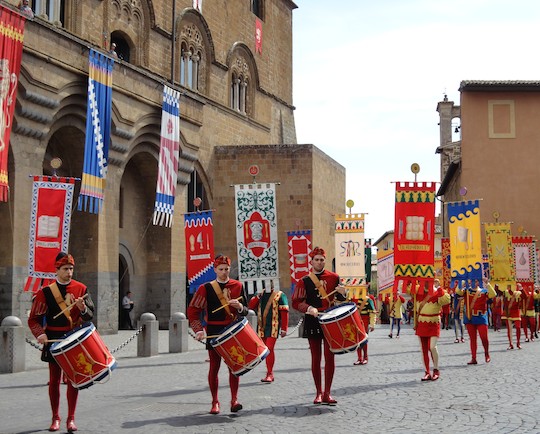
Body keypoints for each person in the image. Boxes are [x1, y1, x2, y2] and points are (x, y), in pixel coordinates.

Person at [27, 252, 94, 432]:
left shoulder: (81, 288)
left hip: (73, 340)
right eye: (65, 269)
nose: (69, 272)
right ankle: (55, 417)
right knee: (54, 380)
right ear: (56, 270)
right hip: (53, 341)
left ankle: (70, 419)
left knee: (73, 380)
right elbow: (33, 319)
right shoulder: (45, 292)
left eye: (71, 269)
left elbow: (90, 316)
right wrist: (40, 334)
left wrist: (83, 308)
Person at [187, 255, 248, 415]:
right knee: (214, 367)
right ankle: (215, 402)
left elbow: (247, 310)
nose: (224, 272)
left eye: (226, 269)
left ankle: (234, 400)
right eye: (220, 269)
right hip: (214, 332)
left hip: (233, 330)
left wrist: (240, 306)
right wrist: (199, 330)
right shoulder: (205, 288)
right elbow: (193, 310)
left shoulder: (238, 286)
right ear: (215, 270)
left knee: (234, 366)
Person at [292, 246, 347, 405]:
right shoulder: (304, 281)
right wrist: (309, 308)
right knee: (316, 358)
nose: (319, 262)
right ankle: (318, 392)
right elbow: (296, 302)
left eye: (322, 260)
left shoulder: (334, 277)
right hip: (313, 319)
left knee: (330, 358)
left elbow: (341, 300)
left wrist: (343, 293)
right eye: (316, 260)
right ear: (311, 261)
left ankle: (327, 393)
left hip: (330, 319)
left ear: (325, 260)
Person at [408, 278, 450, 381]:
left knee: (432, 347)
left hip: (434, 322)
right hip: (422, 322)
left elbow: (446, 300)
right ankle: (427, 372)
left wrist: (439, 289)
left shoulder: (437, 292)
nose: (426, 284)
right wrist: (410, 278)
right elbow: (407, 289)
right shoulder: (418, 291)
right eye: (424, 281)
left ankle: (436, 369)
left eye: (428, 282)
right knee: (423, 349)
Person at [248, 282, 289, 382]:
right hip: (261, 326)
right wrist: (257, 296)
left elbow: (284, 312)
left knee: (269, 348)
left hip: (273, 326)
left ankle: (270, 373)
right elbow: (251, 306)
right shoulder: (260, 294)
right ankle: (268, 371)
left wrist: (284, 328)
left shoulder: (280, 294)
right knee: (264, 350)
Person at [456, 278, 496, 364]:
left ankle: (486, 353)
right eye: (473, 281)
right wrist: (462, 282)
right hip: (470, 318)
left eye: (477, 281)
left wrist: (487, 283)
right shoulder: (466, 291)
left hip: (481, 317)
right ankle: (473, 358)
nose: (475, 282)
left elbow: (493, 294)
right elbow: (458, 292)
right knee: (472, 339)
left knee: (484, 338)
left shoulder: (484, 291)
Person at [353, 292, 376, 365]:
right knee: (357, 340)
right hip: (356, 320)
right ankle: (359, 358)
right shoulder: (353, 298)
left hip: (365, 320)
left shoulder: (368, 299)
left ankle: (365, 357)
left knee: (363, 339)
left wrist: (372, 324)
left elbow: (372, 313)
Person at [502, 283, 522, 350]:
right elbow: (498, 291)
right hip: (508, 311)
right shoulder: (506, 291)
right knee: (509, 329)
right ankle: (511, 344)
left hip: (516, 311)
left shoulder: (519, 292)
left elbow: (525, 296)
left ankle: (518, 343)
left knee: (518, 327)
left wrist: (521, 288)